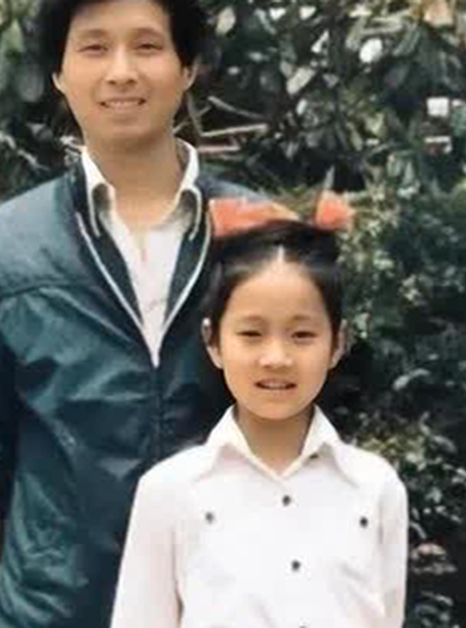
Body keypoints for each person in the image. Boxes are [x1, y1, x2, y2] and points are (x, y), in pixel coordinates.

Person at [0, 0, 258, 626]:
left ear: (188, 67)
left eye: (147, 46)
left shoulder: (259, 239)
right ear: (59, 72)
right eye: (95, 47)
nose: (121, 71)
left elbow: (310, 452)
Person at [109, 199, 410, 628]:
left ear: (337, 343)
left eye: (301, 335)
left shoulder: (375, 487)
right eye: (251, 333)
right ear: (213, 341)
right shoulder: (169, 492)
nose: (276, 358)